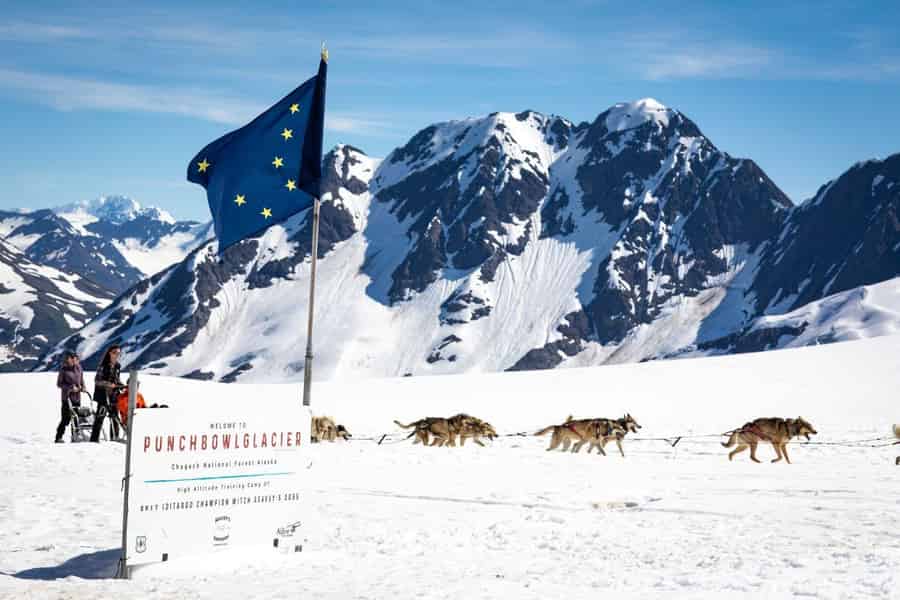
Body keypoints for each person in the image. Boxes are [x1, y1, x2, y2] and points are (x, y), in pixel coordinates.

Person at [90, 345, 124, 442]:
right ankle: (94, 439)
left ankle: (114, 438)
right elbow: (97, 380)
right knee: (100, 418)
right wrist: (108, 384)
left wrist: (122, 385)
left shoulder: (117, 366)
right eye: (115, 353)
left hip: (113, 396)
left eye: (118, 353)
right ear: (110, 353)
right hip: (103, 396)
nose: (117, 355)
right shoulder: (103, 366)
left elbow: (117, 380)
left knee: (115, 418)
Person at [54, 351, 85, 443]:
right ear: (70, 359)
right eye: (75, 359)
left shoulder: (79, 368)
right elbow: (59, 384)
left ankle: (75, 437)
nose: (77, 360)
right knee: (65, 419)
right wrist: (71, 387)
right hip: (67, 398)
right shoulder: (64, 370)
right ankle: (58, 437)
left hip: (77, 397)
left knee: (76, 418)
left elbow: (81, 380)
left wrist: (83, 387)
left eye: (77, 359)